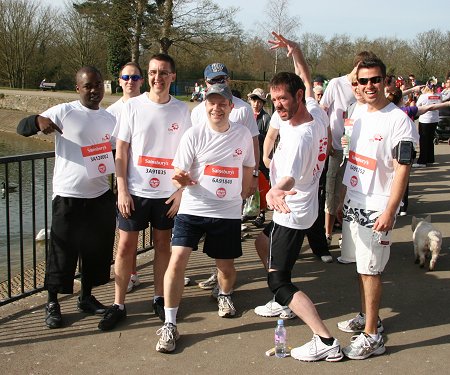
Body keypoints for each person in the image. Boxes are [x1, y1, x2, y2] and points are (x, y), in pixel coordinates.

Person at [254, 32, 343, 362]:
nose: (278, 105)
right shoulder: (317, 112)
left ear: (299, 97)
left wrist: (276, 188)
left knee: (279, 281)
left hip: (289, 212)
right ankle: (285, 304)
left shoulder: (298, 139)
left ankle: (325, 339)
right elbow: (304, 75)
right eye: (274, 99)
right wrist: (296, 51)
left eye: (283, 99)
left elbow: (290, 173)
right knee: (261, 244)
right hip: (304, 209)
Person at [155, 84, 255, 353]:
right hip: (194, 208)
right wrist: (181, 179)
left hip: (227, 211)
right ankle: (170, 323)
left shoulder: (243, 134)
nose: (216, 108)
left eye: (222, 103)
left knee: (226, 267)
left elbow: (248, 164)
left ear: (231, 107)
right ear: (204, 105)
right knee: (177, 261)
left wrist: (245, 190)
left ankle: (224, 295)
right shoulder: (194, 134)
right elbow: (178, 171)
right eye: (212, 103)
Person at [17, 67, 117, 329]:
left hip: (99, 195)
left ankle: (85, 297)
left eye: (98, 85)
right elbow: (22, 128)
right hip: (69, 196)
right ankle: (52, 303)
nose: (94, 90)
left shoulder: (109, 118)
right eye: (88, 86)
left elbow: (117, 153)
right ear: (78, 88)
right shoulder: (63, 112)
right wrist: (38, 121)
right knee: (62, 252)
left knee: (94, 251)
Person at [98, 53, 192, 331]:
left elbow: (190, 156)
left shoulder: (182, 110)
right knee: (126, 247)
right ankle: (118, 304)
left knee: (163, 246)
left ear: (172, 76)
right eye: (153, 72)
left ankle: (159, 298)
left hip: (167, 193)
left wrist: (181, 193)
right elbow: (122, 151)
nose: (157, 77)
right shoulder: (132, 107)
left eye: (163, 72)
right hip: (135, 191)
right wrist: (122, 189)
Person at [336, 56, 419, 360]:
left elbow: (402, 170)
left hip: (377, 207)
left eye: (375, 79)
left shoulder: (398, 120)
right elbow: (354, 158)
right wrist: (343, 196)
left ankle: (373, 335)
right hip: (354, 201)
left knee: (372, 270)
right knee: (360, 266)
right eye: (363, 81)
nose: (369, 86)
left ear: (386, 81)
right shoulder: (357, 111)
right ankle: (366, 315)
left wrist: (390, 211)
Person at [192, 63, 260, 292]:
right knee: (206, 229)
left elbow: (253, 142)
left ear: (228, 80)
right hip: (203, 182)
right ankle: (216, 275)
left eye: (222, 79)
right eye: (213, 80)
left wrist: (254, 176)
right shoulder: (197, 110)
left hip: (232, 179)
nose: (218, 83)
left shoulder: (241, 109)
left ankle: (221, 279)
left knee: (224, 232)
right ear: (205, 83)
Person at [321, 51, 374, 246]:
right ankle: (327, 234)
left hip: (355, 152)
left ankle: (347, 233)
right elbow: (322, 109)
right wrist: (326, 139)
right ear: (358, 64)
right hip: (335, 148)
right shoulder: (336, 84)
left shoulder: (365, 87)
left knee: (350, 191)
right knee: (331, 191)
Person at [106, 62, 144, 293]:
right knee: (126, 237)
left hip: (150, 181)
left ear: (142, 81)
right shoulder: (111, 113)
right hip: (124, 181)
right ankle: (130, 274)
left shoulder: (150, 105)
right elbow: (110, 149)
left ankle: (168, 273)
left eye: (135, 77)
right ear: (119, 81)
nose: (130, 81)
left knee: (163, 237)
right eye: (126, 77)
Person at [247, 88, 271, 228]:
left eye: (259, 101)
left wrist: (257, 137)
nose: (256, 104)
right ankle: (248, 210)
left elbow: (270, 138)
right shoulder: (247, 115)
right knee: (247, 185)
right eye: (253, 100)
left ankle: (261, 213)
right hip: (247, 157)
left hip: (261, 158)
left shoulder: (266, 118)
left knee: (262, 187)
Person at [413, 78, 442, 168]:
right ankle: (430, 159)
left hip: (425, 120)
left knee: (424, 140)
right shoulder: (439, 95)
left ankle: (422, 161)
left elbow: (417, 106)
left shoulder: (423, 96)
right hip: (435, 119)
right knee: (430, 139)